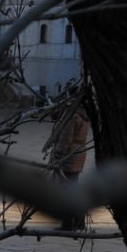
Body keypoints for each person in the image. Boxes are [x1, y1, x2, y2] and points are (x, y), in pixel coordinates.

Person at [45, 89, 94, 230]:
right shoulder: (84, 115)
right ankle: (79, 222)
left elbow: (66, 138)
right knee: (73, 186)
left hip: (69, 155)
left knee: (66, 189)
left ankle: (68, 224)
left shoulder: (72, 116)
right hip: (78, 152)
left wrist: (58, 155)